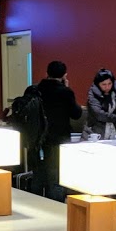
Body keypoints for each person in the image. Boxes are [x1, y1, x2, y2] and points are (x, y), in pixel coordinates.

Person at [37, 60, 83, 200]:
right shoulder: (65, 92)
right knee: (57, 174)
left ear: (46, 73)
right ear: (64, 75)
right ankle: (55, 205)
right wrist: (67, 88)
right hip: (59, 137)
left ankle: (37, 201)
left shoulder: (36, 89)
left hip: (37, 137)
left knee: (39, 172)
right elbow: (76, 114)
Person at [86, 68, 116, 139]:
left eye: (110, 83)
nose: (107, 87)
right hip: (95, 132)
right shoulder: (93, 94)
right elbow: (98, 114)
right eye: (104, 84)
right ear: (98, 84)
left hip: (114, 131)